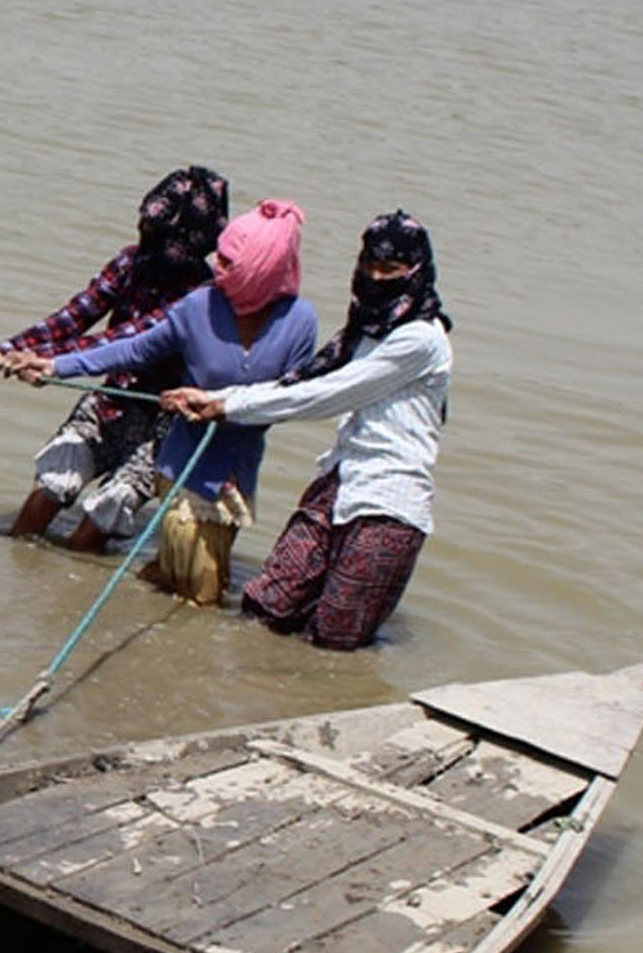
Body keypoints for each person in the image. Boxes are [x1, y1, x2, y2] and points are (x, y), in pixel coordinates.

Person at [1, 197, 317, 603]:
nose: (217, 269)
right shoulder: (199, 305)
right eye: (218, 257)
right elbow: (131, 349)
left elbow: (289, 398)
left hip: (233, 468)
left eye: (229, 262)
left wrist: (223, 405)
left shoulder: (300, 322)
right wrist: (55, 366)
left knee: (198, 578)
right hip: (182, 455)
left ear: (264, 267)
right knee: (196, 586)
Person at [164, 212, 452, 649]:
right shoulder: (364, 330)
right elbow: (298, 382)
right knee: (266, 606)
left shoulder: (420, 340)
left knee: (334, 640)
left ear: (416, 271)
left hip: (389, 502)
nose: (375, 278)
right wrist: (214, 397)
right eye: (369, 266)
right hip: (339, 482)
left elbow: (329, 393)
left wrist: (228, 404)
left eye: (389, 270)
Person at [0, 166, 231, 553]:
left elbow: (127, 342)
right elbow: (73, 317)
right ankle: (14, 564)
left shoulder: (202, 296)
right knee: (56, 478)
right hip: (110, 402)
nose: (150, 242)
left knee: (109, 508)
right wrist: (5, 350)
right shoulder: (130, 262)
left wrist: (46, 363)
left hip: (163, 423)